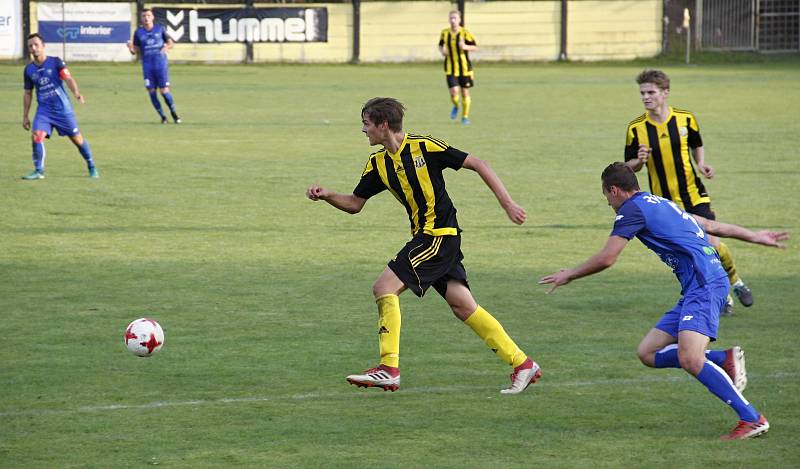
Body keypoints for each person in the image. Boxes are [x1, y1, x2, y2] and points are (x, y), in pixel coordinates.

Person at [539, 162, 788, 440]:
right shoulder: (660, 203)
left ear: (614, 190)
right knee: (647, 353)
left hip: (704, 285)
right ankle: (723, 359)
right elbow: (709, 225)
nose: (608, 203)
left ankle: (751, 418)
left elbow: (607, 258)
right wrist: (755, 236)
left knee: (690, 358)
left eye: (606, 196)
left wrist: (569, 274)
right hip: (698, 285)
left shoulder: (631, 210)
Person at [306, 97, 539, 394]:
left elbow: (479, 163)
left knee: (383, 287)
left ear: (383, 125)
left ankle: (389, 368)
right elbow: (354, 204)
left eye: (366, 124)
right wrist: (327, 195)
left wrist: (507, 204)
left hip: (438, 235)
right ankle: (522, 363)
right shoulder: (378, 163)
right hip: (429, 236)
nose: (363, 131)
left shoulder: (424, 146)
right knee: (462, 305)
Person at [624, 69, 750, 316]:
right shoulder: (636, 128)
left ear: (665, 93)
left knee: (713, 245)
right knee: (691, 251)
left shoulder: (685, 119)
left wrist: (702, 164)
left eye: (651, 92)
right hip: (666, 205)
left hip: (694, 194)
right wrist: (638, 161)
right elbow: (627, 167)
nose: (646, 97)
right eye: (642, 93)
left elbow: (696, 143)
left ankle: (736, 282)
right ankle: (721, 296)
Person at [21, 33, 98, 180]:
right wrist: (25, 116)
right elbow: (28, 93)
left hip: (63, 110)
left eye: (36, 44)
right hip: (44, 111)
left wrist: (76, 92)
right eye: (30, 46)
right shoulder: (28, 70)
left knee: (78, 140)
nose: (33, 48)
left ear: (43, 46)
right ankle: (39, 171)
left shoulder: (56, 62)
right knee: (37, 136)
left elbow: (68, 78)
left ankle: (91, 165)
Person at [127, 8, 181, 124]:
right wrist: (130, 47)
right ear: (141, 18)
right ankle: (163, 117)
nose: (146, 18)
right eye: (144, 16)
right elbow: (135, 51)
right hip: (147, 66)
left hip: (161, 65)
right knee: (151, 91)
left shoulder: (160, 29)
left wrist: (166, 47)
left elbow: (171, 43)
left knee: (164, 91)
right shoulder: (138, 32)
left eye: (148, 15)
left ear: (152, 17)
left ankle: (174, 113)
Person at [438, 10, 477, 125]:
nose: (453, 20)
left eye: (455, 18)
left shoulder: (465, 33)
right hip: (450, 68)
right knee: (454, 92)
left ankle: (465, 117)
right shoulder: (445, 33)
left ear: (459, 20)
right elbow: (440, 45)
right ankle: (456, 105)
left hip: (465, 69)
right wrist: (443, 51)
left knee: (465, 93)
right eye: (451, 18)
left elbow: (475, 47)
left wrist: (465, 46)